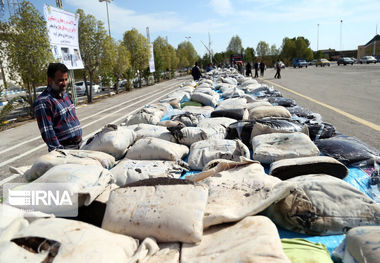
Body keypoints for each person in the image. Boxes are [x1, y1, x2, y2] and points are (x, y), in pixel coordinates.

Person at [34, 63, 82, 151]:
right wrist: (61, 154)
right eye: (60, 80)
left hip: (79, 145)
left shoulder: (66, 96)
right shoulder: (44, 102)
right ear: (50, 80)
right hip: (66, 150)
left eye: (66, 79)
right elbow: (48, 132)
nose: (64, 83)